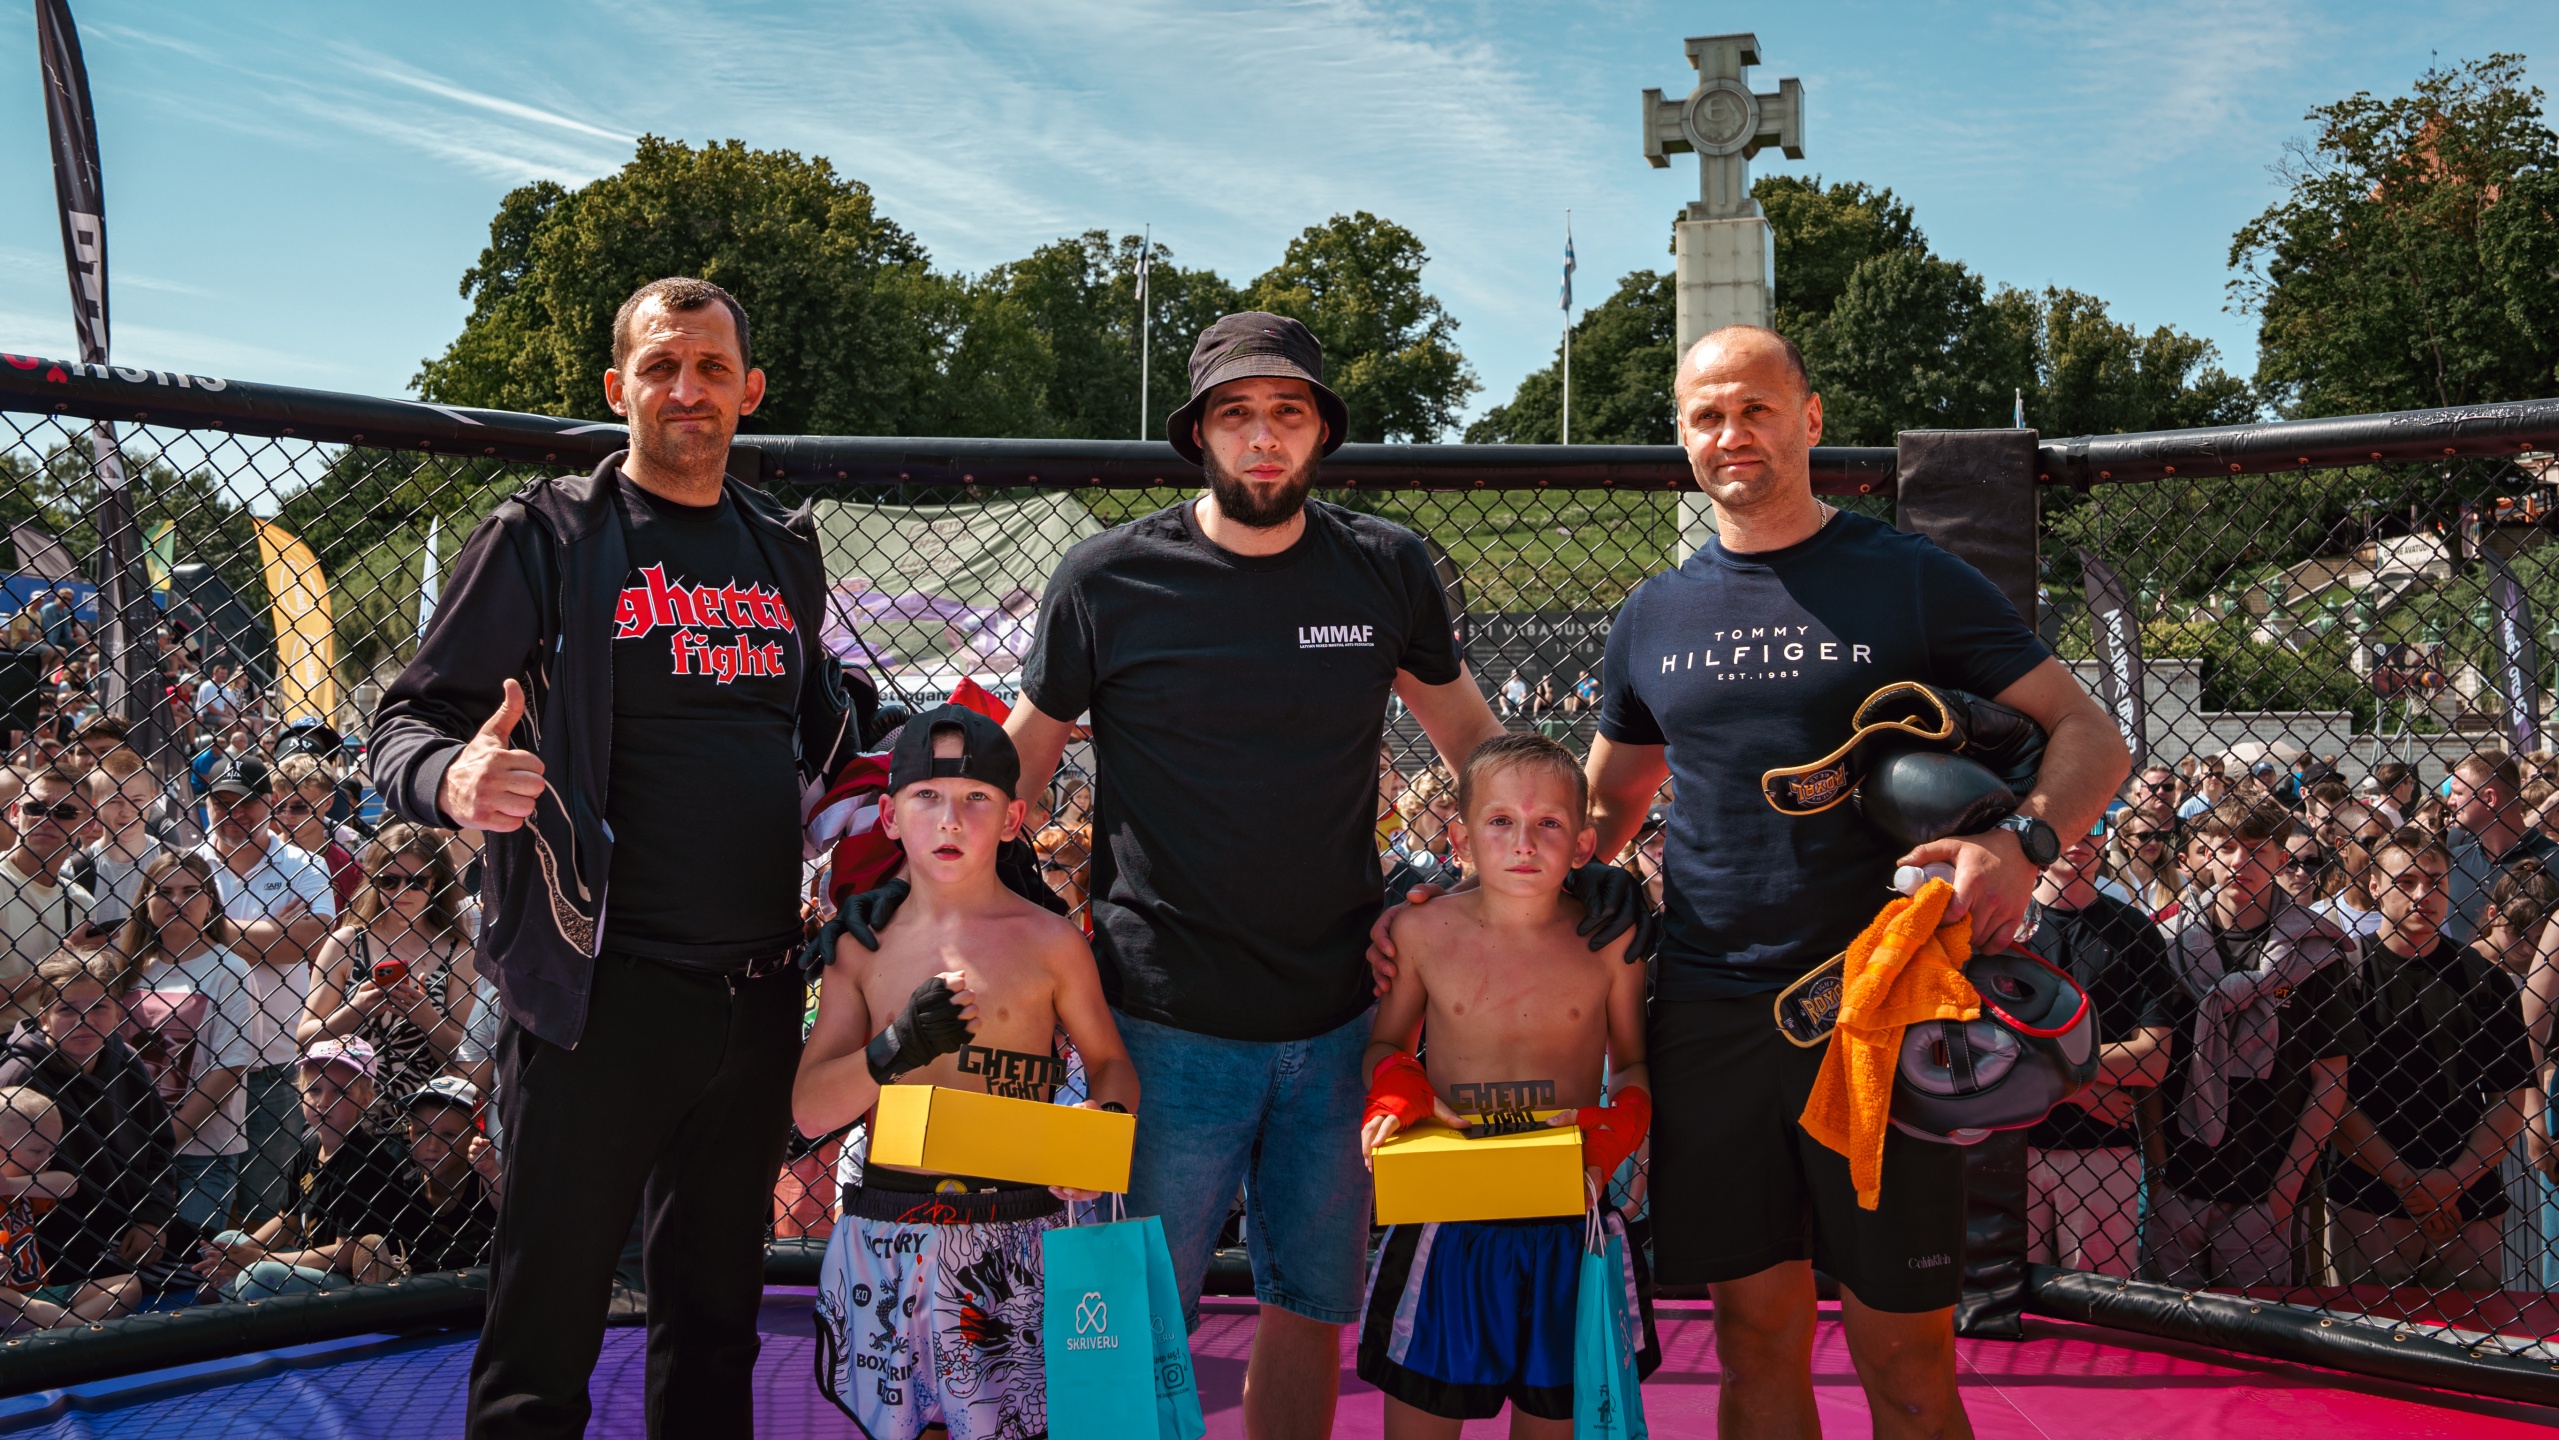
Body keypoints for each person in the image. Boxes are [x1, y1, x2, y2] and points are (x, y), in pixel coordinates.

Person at [930, 312, 1642, 1440]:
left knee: (1309, 1309)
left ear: (1321, 430)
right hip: (1162, 1018)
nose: (1262, 437)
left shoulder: (1386, 566)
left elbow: (1478, 747)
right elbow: (1018, 760)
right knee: (1131, 1318)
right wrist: (927, 887)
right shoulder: (1109, 576)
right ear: (1198, 433)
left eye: (1287, 412)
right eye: (1236, 414)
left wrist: (1579, 857)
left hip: (1338, 1015)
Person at [1565, 325, 2127, 1440]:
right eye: (1707, 415)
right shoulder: (1653, 613)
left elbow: (2091, 735)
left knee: (1909, 1365)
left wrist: (2024, 843)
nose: (1732, 434)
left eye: (1756, 408)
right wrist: (1481, 887)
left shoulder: (1906, 576)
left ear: (1810, 418)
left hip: (1882, 1003)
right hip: (1710, 1013)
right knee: (1751, 1343)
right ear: (1682, 434)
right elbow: (1606, 806)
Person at [371, 275, 874, 1440]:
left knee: (717, 1325)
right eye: (660, 366)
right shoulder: (544, 535)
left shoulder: (782, 546)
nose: (686, 389)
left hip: (757, 992)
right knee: (545, 1325)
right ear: (617, 387)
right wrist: (450, 778)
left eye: (710, 368)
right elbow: (405, 720)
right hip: (597, 992)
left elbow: (825, 733)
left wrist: (948, 768)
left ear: (750, 389)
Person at [796, 706, 1136, 1440]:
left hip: (1022, 1224)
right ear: (890, 816)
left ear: (1013, 818)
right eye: (927, 796)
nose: (950, 819)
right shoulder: (860, 948)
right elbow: (811, 1109)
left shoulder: (1051, 942)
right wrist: (896, 1047)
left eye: (976, 798)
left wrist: (1099, 1132)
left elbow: (1111, 1063)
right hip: (892, 1229)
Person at [1355, 734, 1649, 1437]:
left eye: (1548, 822)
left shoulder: (1610, 944)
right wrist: (1397, 1089)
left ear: (1582, 845)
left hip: (1568, 1209)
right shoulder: (1421, 932)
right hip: (1445, 1215)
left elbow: (1632, 1065)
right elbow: (1384, 1045)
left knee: (1556, 1422)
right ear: (1460, 839)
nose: (1524, 842)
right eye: (1499, 821)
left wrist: (1617, 1129)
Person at [2145, 801, 2356, 1289]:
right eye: (2226, 848)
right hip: (2178, 1183)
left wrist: (2285, 1191)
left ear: (2282, 858)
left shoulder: (2314, 952)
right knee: (2166, 1324)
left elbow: (2331, 1077)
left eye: (2257, 849)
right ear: (2206, 856)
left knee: (2257, 1329)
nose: (2240, 861)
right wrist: (2157, 1171)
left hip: (2265, 1188)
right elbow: (2151, 1065)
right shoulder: (2168, 945)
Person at [2328, 829, 2536, 1290]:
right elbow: (2331, 1098)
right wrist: (2408, 1183)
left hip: (2471, 1202)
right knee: (2365, 1329)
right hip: (2369, 1202)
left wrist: (2454, 1180)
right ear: (2375, 886)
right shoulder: (2345, 974)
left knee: (2474, 1331)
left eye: (2435, 881)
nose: (2423, 894)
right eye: (2406, 882)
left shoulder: (2487, 980)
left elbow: (2510, 1097)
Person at [2021, 820, 2173, 1279]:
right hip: (2011, 1141)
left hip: (2102, 1150)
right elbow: (1979, 1048)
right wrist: (2082, 1090)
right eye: (2069, 823)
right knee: (2004, 1295)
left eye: (2095, 825)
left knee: (2098, 1303)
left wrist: (2038, 1067)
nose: (2081, 838)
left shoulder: (2135, 932)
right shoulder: (2002, 926)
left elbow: (2152, 1060)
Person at [198, 755, 335, 1224]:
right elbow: (167, 937)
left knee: (268, 1205)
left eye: (246, 803)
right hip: (201, 1060)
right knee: (202, 1206)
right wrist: (271, 932)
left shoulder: (303, 863)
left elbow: (310, 941)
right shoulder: (188, 864)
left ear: (270, 802)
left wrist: (206, 928)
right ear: (206, 804)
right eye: (222, 802)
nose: (233, 814)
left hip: (276, 1061)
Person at [0, 949, 175, 1292]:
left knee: (226, 1254)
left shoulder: (126, 1059)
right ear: (44, 1018)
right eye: (67, 1009)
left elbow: (160, 1148)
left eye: (99, 1007)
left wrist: (153, 1219)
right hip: (56, 1244)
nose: (85, 1020)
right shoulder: (19, 1078)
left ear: (118, 1013)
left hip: (133, 1221)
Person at [197, 1037, 408, 1300]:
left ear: (365, 1099)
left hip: (346, 1278)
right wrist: (236, 1255)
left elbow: (346, 1255)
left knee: (258, 1276)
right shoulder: (310, 1145)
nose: (323, 1101)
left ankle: (235, 1294)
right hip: (310, 1261)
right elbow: (288, 1219)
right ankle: (232, 1287)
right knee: (230, 1239)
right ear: (301, 1094)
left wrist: (257, 1258)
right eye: (315, 1090)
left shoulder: (369, 1162)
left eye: (340, 1092)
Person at [297, 823, 476, 1130]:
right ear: (374, 880)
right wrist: (356, 1009)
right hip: (346, 1118)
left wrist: (426, 1018)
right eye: (389, 880)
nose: (401, 891)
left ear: (435, 882)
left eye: (416, 881)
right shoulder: (347, 943)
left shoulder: (458, 952)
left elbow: (464, 1056)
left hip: (422, 1123)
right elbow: (305, 1039)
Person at [121, 851, 260, 1241]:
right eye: (164, 891)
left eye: (189, 891)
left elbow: (230, 1067)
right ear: (146, 901)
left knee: (186, 1261)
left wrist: (163, 1143)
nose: (177, 901)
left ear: (210, 900)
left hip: (201, 1155)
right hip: (127, 1147)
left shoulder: (230, 970)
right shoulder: (129, 969)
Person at [0, 1086, 140, 1332]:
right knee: (6, 1301)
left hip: (39, 1294)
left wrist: (9, 1185)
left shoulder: (26, 1186)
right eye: (37, 1150)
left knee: (129, 1285)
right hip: (9, 1302)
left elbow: (68, 1185)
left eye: (51, 1150)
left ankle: (58, 1333)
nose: (46, 1159)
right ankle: (82, 1335)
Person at [0, 766, 96, 1034]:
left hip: (59, 1044)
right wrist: (54, 966)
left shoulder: (81, 902)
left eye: (65, 812)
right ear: (15, 813)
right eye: (36, 808)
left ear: (88, 823)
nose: (47, 819)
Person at [387, 1075, 501, 1274]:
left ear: (474, 1136)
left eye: (448, 1135)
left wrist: (490, 1172)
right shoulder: (402, 1190)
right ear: (411, 1134)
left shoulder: (485, 1182)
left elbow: (513, 1213)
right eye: (423, 1133)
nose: (432, 1146)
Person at [2446, 751, 2558, 946]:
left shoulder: (2553, 861)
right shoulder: (2456, 860)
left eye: (2458, 793)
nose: (2450, 801)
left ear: (2490, 798)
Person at [72, 754, 157, 925]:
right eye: (114, 801)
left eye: (137, 800)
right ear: (94, 803)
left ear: (153, 798)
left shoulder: (175, 862)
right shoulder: (74, 871)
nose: (126, 811)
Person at [272, 754, 361, 910]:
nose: (287, 814)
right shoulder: (254, 859)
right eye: (279, 806)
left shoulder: (351, 872)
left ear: (327, 802)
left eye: (299, 807)